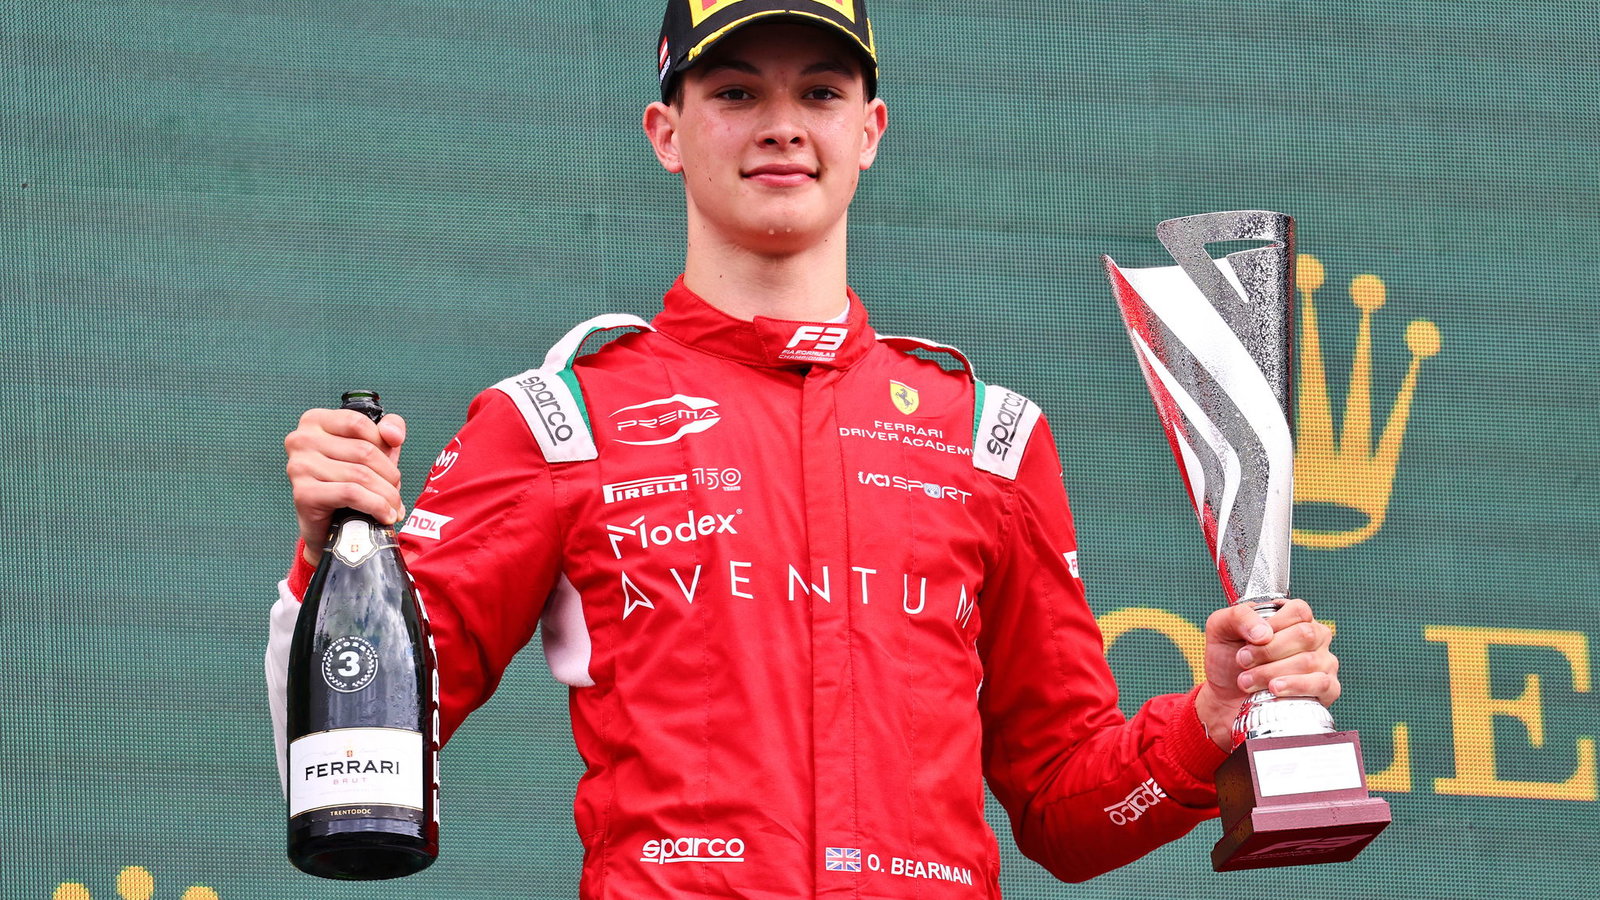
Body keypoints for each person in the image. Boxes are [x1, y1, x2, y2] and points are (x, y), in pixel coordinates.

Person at [267, 2, 1340, 896]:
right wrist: (331, 563)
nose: (782, 126)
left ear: (870, 130)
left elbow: (1068, 815)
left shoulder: (988, 437)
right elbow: (352, 757)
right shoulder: (556, 420)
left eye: (820, 93)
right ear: (665, 132)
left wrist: (1211, 719)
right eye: (736, 93)